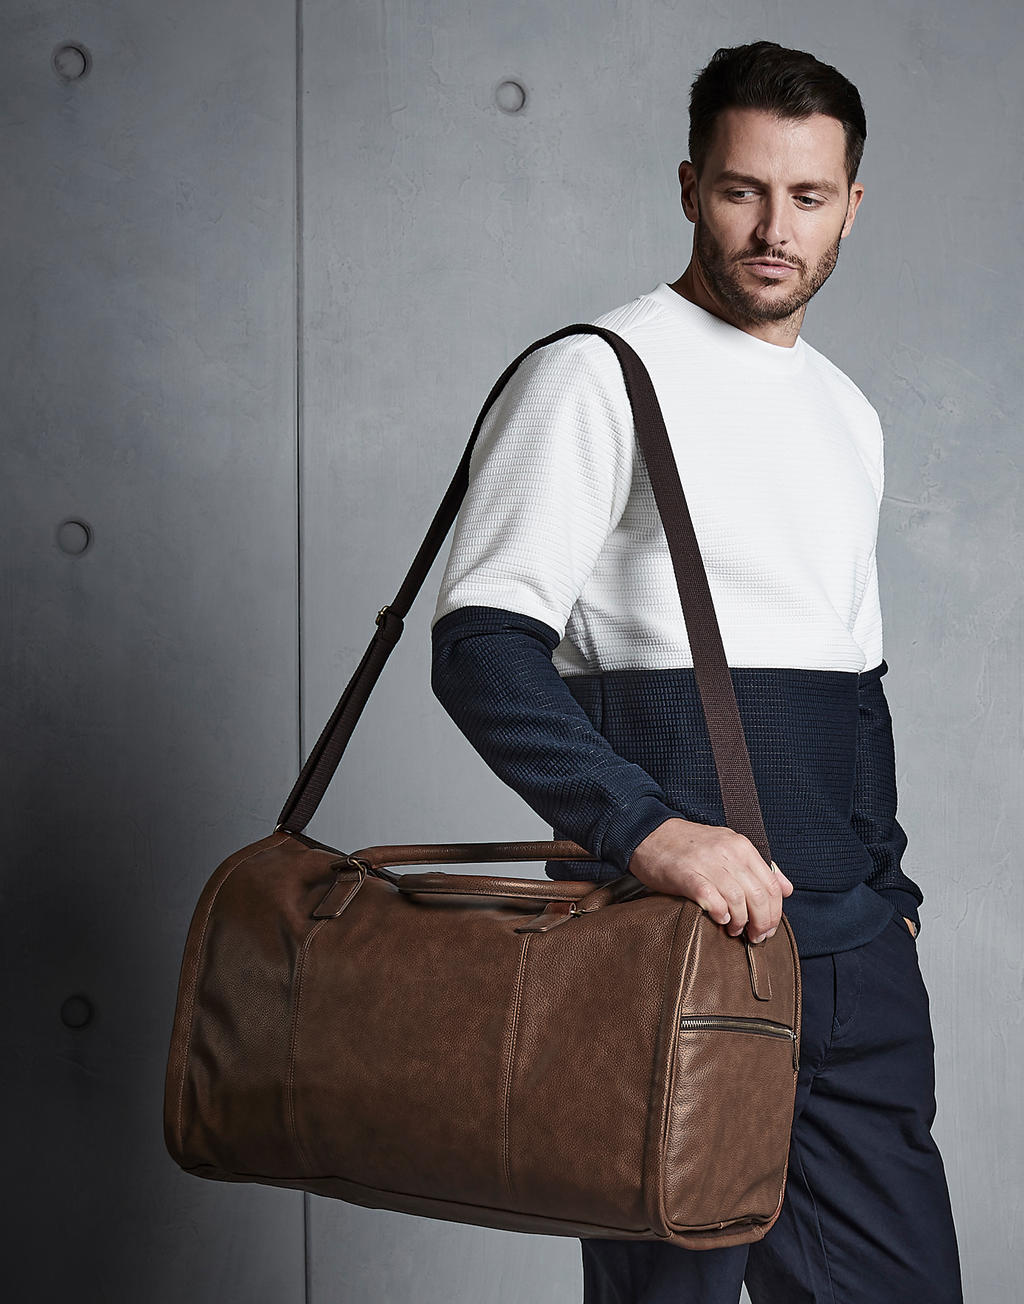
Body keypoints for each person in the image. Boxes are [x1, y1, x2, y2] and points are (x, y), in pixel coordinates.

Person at [429, 39, 963, 1304]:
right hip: (661, 954)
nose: (775, 229)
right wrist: (651, 831)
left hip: (850, 963)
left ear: (851, 205)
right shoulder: (594, 374)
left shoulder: (847, 411)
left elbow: (857, 683)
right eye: (741, 189)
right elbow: (480, 649)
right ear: (687, 187)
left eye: (808, 195)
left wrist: (888, 894)